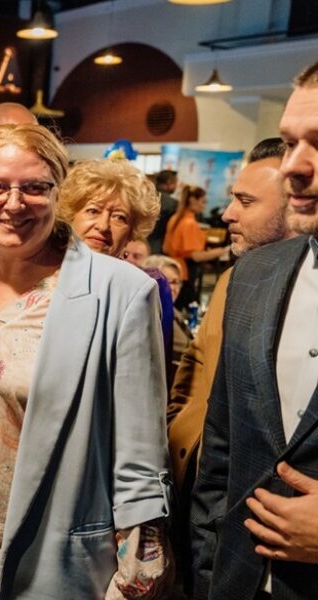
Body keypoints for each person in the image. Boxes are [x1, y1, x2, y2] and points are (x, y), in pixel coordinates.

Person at [0, 124, 171, 598]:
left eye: (34, 187)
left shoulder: (122, 291)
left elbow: (140, 453)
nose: (14, 203)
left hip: (35, 563)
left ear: (58, 191)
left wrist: (136, 574)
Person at [190, 60, 318, 600]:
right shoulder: (254, 275)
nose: (294, 166)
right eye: (289, 143)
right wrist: (206, 576)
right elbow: (221, 453)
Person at [167, 137, 295, 594]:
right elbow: (194, 369)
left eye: (246, 201)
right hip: (198, 498)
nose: (227, 214)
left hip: (269, 525)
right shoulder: (231, 281)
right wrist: (180, 435)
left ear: (294, 207)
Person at [59, 158, 173, 376]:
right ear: (71, 216)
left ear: (132, 232)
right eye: (93, 211)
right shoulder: (43, 274)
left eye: (119, 218)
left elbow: (150, 374)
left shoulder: (146, 287)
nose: (103, 226)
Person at [163, 185, 229, 309]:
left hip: (174, 267)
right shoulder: (189, 224)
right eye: (203, 202)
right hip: (184, 272)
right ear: (193, 200)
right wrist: (220, 251)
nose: (204, 206)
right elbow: (196, 256)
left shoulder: (175, 218)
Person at [148, 170, 178, 254]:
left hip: (138, 242)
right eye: (175, 183)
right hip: (159, 247)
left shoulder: (143, 196)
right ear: (169, 182)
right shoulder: (173, 204)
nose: (176, 186)